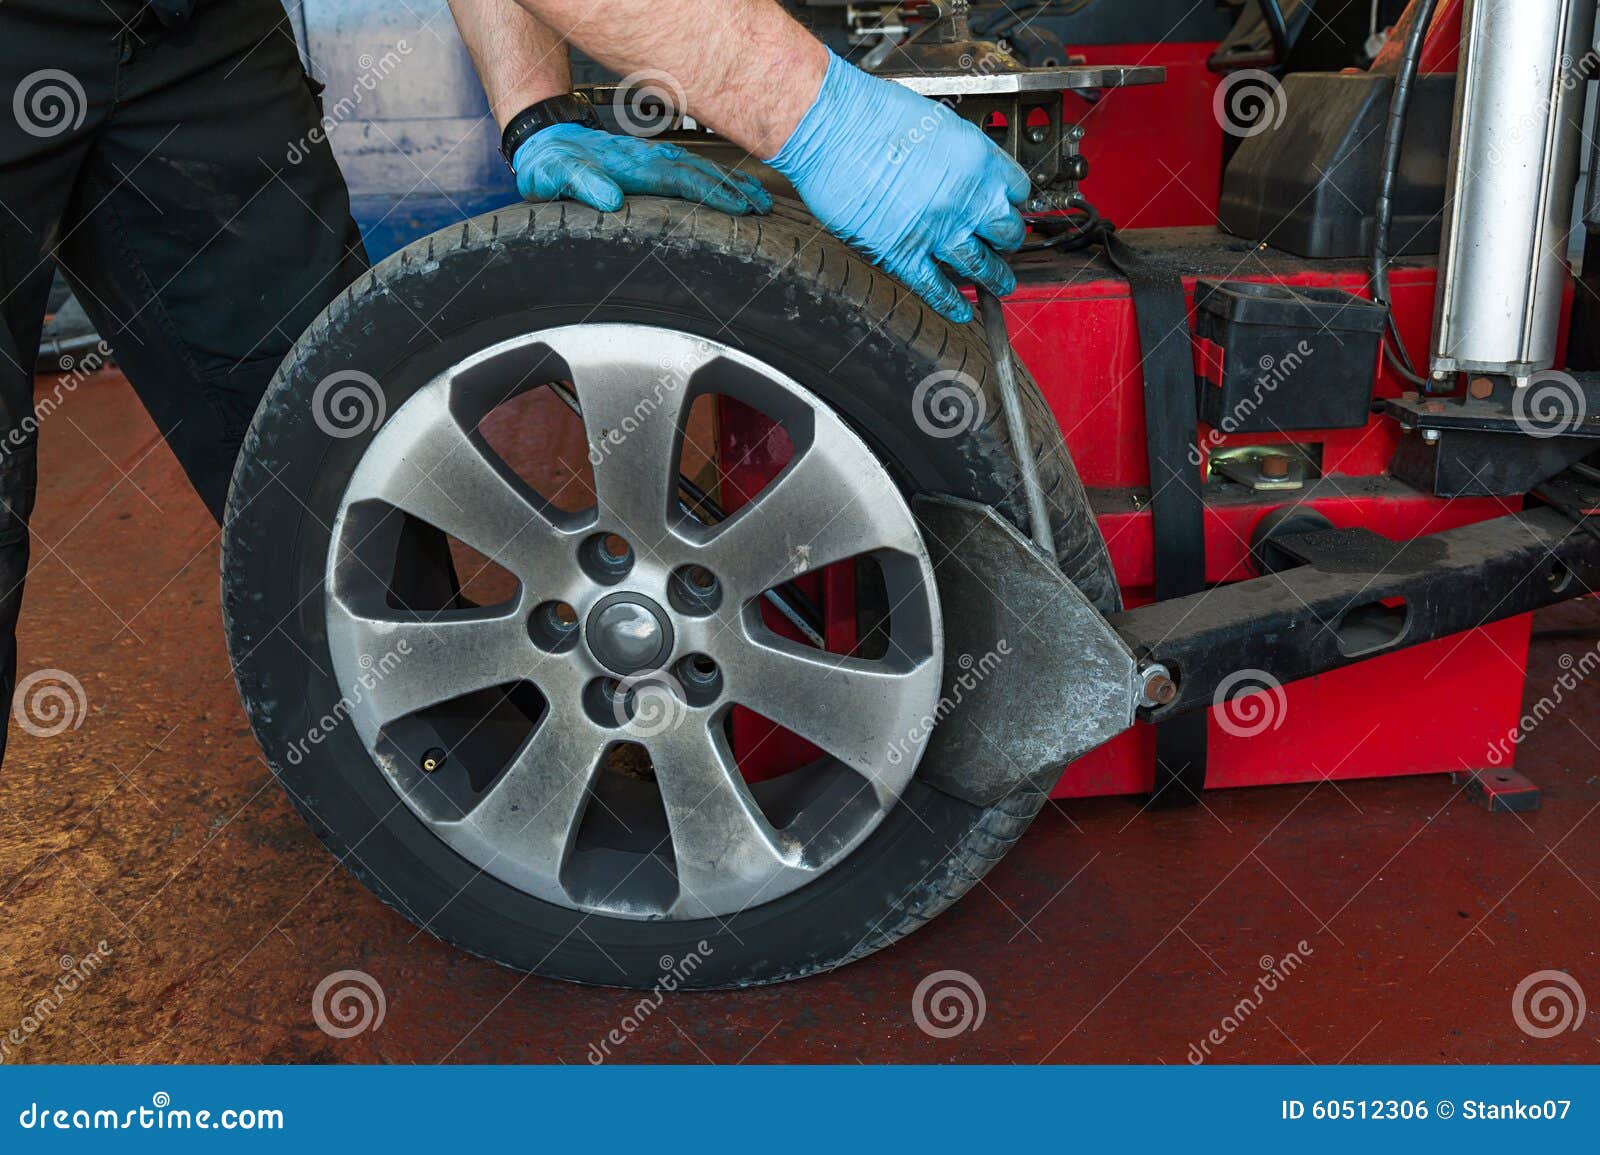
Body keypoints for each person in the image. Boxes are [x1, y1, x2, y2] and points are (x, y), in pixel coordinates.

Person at [0, 0, 1028, 764]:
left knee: (326, 444)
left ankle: (441, 782)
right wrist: (816, 114)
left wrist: (534, 112)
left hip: (187, 32)